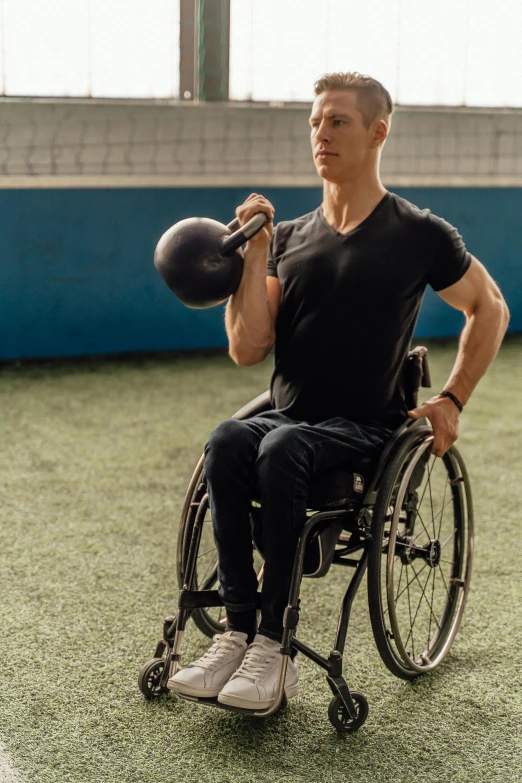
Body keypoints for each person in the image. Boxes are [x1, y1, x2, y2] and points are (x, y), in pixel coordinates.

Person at [168, 72, 510, 709]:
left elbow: (488, 307)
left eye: (338, 122)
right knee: (228, 439)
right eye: (315, 123)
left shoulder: (419, 233)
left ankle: (275, 649)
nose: (320, 134)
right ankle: (238, 632)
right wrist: (255, 253)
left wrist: (452, 399)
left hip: (366, 431)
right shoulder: (291, 238)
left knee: (282, 447)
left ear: (378, 131)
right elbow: (247, 347)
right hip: (292, 418)